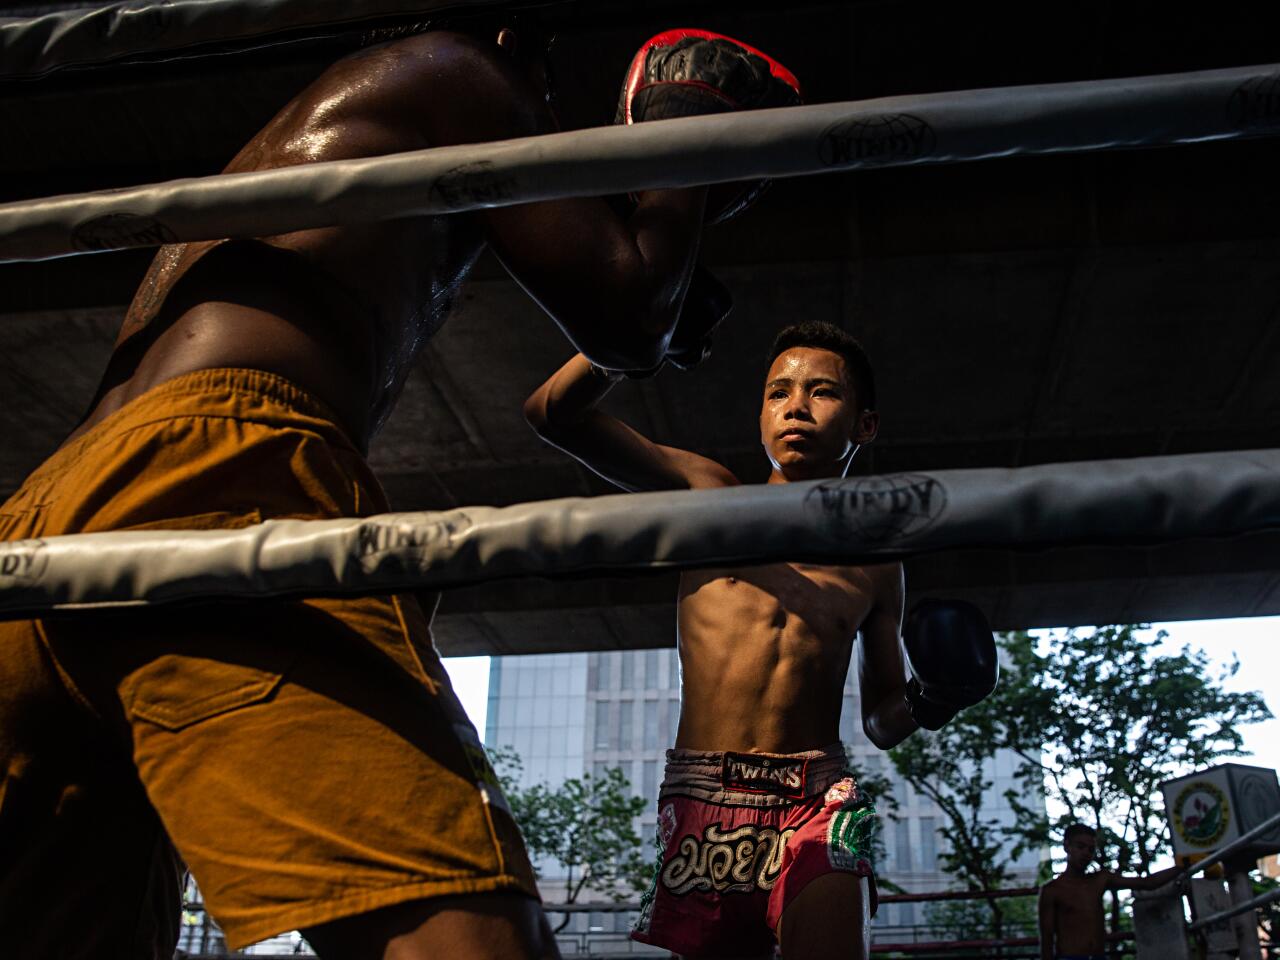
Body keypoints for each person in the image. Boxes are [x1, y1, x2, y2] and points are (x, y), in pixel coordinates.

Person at [0, 18, 801, 960]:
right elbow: (628, 314)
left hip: (47, 519)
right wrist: (685, 140)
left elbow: (619, 292)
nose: (550, 113)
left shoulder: (361, 113)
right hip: (217, 473)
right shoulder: (468, 73)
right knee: (464, 944)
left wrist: (665, 270)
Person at [523, 319, 1000, 959]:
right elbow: (552, 413)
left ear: (865, 425)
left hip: (820, 797)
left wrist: (935, 696)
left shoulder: (879, 562)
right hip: (704, 799)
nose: (796, 406)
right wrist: (640, 332)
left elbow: (882, 721)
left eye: (822, 392)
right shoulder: (708, 497)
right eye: (778, 392)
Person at [1038, 823, 1180, 960]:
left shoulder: (1100, 879)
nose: (1086, 853)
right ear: (1067, 846)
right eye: (1080, 846)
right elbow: (1047, 938)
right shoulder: (1052, 891)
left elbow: (1147, 883)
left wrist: (1181, 866)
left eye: (1090, 849)